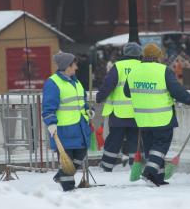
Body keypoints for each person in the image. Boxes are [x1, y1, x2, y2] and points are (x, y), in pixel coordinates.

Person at [124, 43, 190, 186]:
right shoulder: (163, 71)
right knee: (160, 146)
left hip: (142, 118)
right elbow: (176, 90)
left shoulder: (134, 71)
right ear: (158, 56)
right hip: (161, 118)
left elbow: (127, 92)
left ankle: (157, 178)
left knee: (149, 147)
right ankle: (149, 173)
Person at [42, 51, 92, 191]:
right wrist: (50, 123)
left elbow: (82, 102)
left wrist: (88, 110)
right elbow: (48, 106)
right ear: (67, 66)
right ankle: (69, 190)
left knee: (81, 154)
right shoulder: (53, 83)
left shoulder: (76, 82)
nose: (76, 67)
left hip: (79, 127)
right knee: (66, 160)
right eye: (74, 64)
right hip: (64, 130)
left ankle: (62, 175)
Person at [96, 42, 142, 171]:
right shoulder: (142, 66)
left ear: (125, 53)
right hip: (138, 112)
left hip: (118, 113)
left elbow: (108, 85)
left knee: (114, 140)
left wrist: (99, 97)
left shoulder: (118, 66)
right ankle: (136, 166)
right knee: (135, 140)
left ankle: (106, 166)